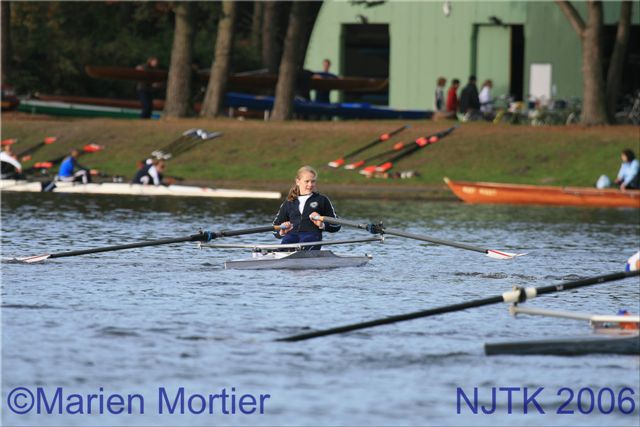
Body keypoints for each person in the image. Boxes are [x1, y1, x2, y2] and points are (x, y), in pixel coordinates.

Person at [272, 166, 340, 250]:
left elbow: (336, 225)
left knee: (307, 241)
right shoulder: (289, 202)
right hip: (291, 236)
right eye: (307, 181)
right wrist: (282, 231)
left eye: (313, 181)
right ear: (298, 181)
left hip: (311, 236)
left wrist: (322, 224)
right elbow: (275, 228)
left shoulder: (322, 200)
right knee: (286, 243)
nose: (310, 185)